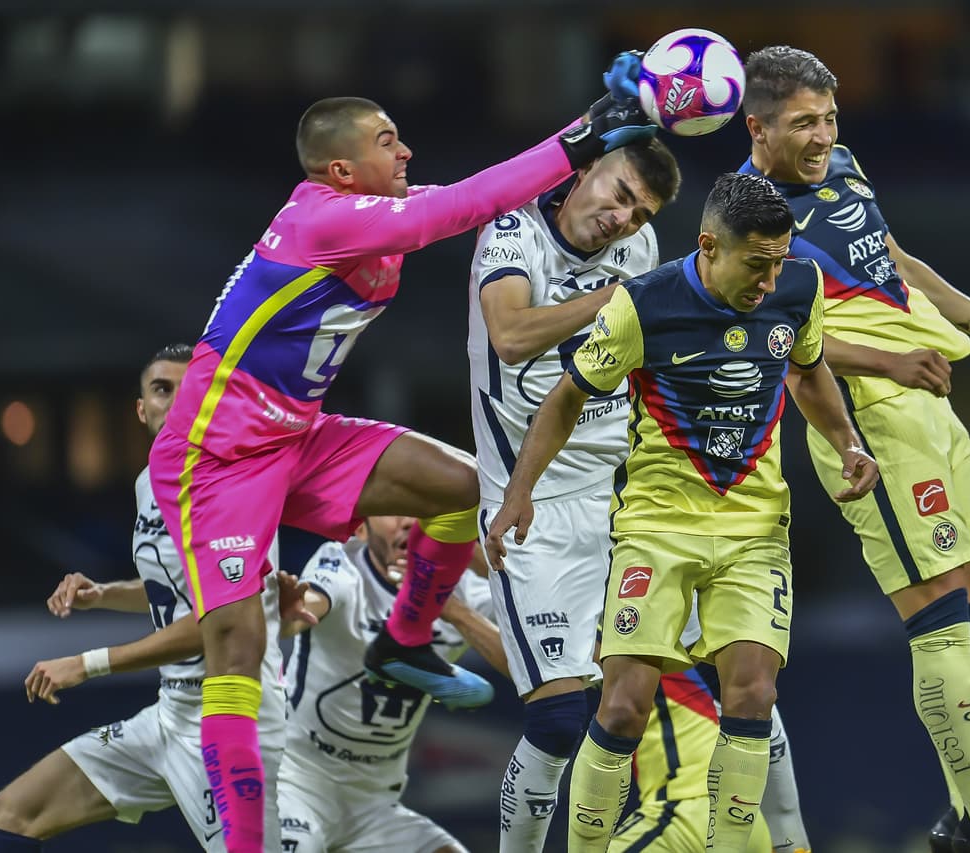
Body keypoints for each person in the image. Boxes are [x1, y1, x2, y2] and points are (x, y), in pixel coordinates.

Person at [146, 57, 658, 851]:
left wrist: (600, 125)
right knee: (238, 653)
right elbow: (461, 207)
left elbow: (489, 191)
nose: (407, 150)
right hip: (217, 455)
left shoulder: (369, 210)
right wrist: (588, 132)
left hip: (297, 434)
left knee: (463, 486)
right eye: (388, 141)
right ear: (342, 169)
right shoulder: (324, 218)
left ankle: (406, 638)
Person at [485, 172, 878, 852]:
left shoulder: (799, 288)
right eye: (756, 264)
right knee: (621, 706)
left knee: (753, 695)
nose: (769, 280)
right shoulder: (642, 305)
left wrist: (847, 441)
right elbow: (567, 396)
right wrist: (521, 490)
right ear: (709, 246)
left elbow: (808, 368)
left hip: (755, 529)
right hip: (656, 529)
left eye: (778, 262)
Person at [740, 45, 970, 853]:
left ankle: (964, 812)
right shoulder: (746, 213)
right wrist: (886, 362)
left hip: (930, 400)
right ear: (757, 128)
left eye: (829, 118)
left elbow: (895, 261)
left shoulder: (844, 166)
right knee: (938, 609)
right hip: (865, 416)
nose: (822, 137)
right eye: (802, 124)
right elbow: (769, 337)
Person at [0, 344, 293, 853]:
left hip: (233, 721)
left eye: (190, 389)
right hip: (170, 713)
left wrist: (87, 664)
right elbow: (176, 591)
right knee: (13, 812)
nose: (176, 401)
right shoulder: (151, 483)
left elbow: (219, 620)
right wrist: (102, 595)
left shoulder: (231, 484)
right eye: (162, 389)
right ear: (141, 409)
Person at [466, 136, 681, 851]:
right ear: (584, 171)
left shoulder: (639, 249)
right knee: (557, 722)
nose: (623, 219)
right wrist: (614, 297)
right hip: (531, 504)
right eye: (619, 194)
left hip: (624, 496)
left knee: (640, 707)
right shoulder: (513, 233)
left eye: (640, 212)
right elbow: (509, 335)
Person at [277, 515, 504, 853]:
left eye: (421, 511)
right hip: (296, 786)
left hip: (376, 808)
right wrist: (289, 611)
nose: (408, 522)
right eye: (395, 510)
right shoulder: (342, 563)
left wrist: (456, 610)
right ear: (360, 528)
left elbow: (531, 662)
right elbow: (304, 610)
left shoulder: (463, 589)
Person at [612, 608, 812, 853]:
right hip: (751, 823)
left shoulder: (633, 620)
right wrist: (791, 837)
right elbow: (766, 721)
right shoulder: (708, 633)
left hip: (687, 813)